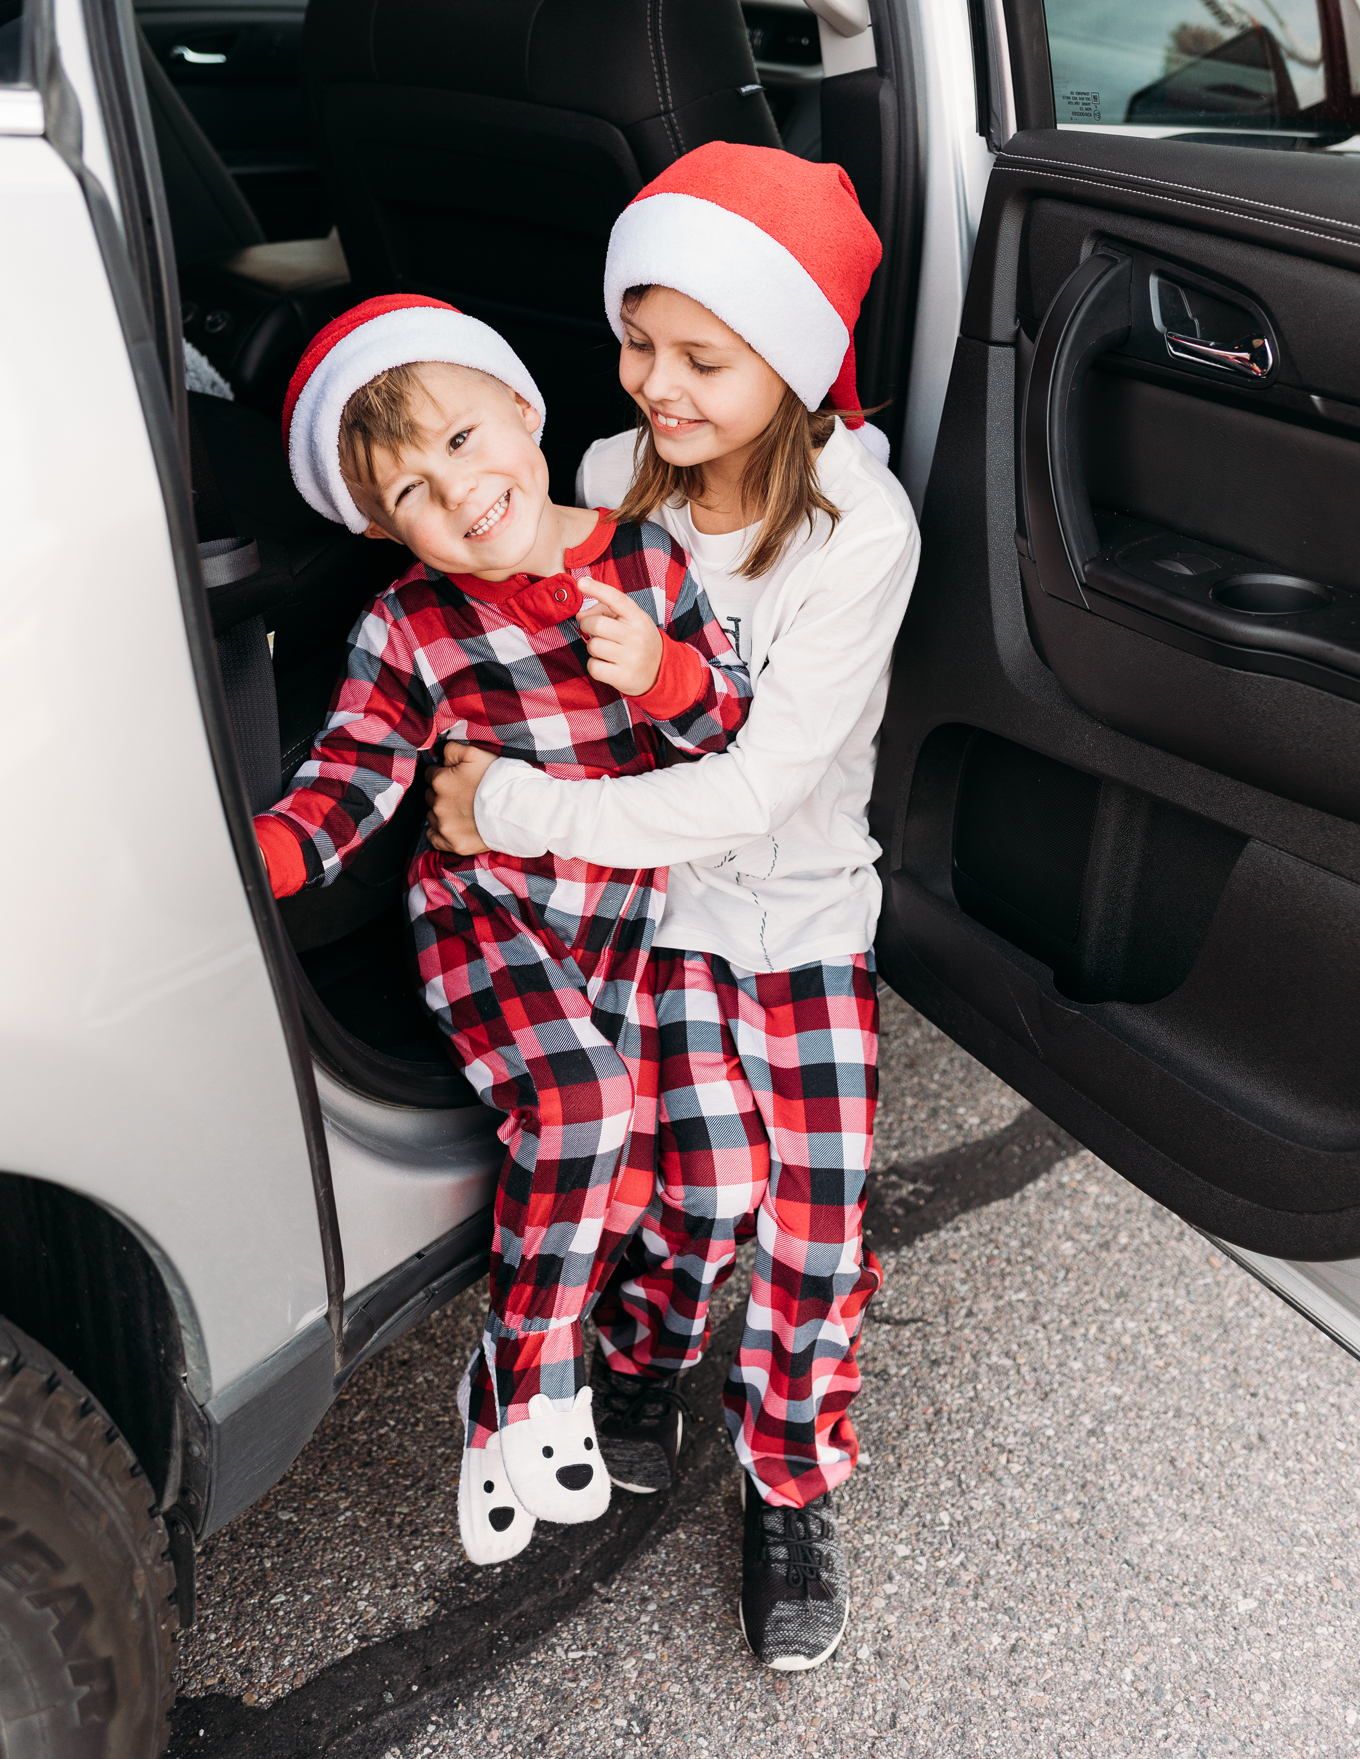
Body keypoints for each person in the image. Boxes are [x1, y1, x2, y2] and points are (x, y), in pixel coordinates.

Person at [424, 143, 921, 1670]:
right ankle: (639, 1363)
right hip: (652, 916)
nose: (656, 383)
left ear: (793, 358)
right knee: (696, 1193)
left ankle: (787, 1479)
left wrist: (510, 805)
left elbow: (753, 793)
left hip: (803, 908)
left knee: (816, 1225)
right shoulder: (598, 483)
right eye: (637, 341)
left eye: (703, 357)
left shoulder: (856, 537)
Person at [253, 293, 750, 1565]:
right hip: (487, 915)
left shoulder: (645, 562)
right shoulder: (408, 625)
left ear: (524, 411)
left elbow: (726, 732)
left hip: (630, 917)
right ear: (379, 527)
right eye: (413, 490)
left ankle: (512, 1401)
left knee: (699, 1173)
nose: (459, 491)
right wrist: (263, 857)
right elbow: (350, 778)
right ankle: (535, 1380)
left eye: (467, 438)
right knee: (584, 1114)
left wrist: (666, 675)